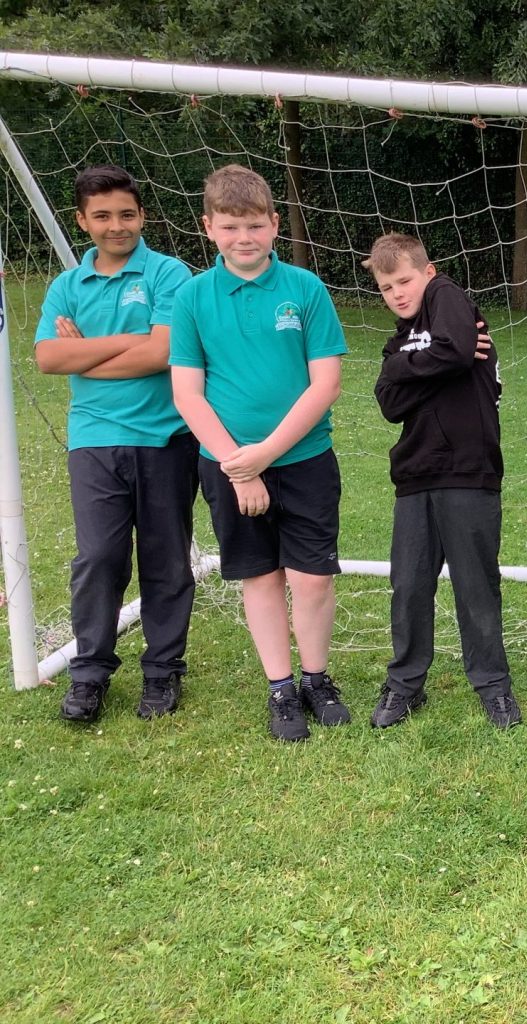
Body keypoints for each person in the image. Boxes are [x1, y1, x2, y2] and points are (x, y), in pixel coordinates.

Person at [170, 164, 349, 743]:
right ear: (208, 228)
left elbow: (325, 383)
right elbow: (187, 393)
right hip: (228, 467)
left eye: (253, 225)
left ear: (274, 224)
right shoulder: (192, 297)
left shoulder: (305, 288)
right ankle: (281, 687)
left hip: (304, 459)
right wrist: (239, 466)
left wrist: (265, 454)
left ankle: (317, 678)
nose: (242, 237)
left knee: (313, 579)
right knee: (261, 577)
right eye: (229, 226)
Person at [34, 164, 197, 722]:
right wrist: (133, 339)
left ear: (142, 215)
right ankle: (89, 673)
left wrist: (86, 354)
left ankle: (163, 670)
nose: (116, 225)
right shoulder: (66, 286)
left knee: (165, 557)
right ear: (82, 222)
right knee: (99, 556)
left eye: (126, 214)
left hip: (166, 437)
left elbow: (162, 352)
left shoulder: (169, 273)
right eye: (102, 216)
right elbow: (48, 358)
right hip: (94, 438)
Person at [365, 232, 521, 729]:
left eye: (404, 280)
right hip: (414, 475)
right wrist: (417, 361)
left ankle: (493, 685)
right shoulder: (399, 339)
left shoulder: (446, 294)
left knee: (476, 587)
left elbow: (455, 354)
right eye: (387, 287)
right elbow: (389, 402)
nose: (398, 293)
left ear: (427, 273)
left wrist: (411, 367)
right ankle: (405, 684)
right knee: (409, 585)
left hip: (469, 470)